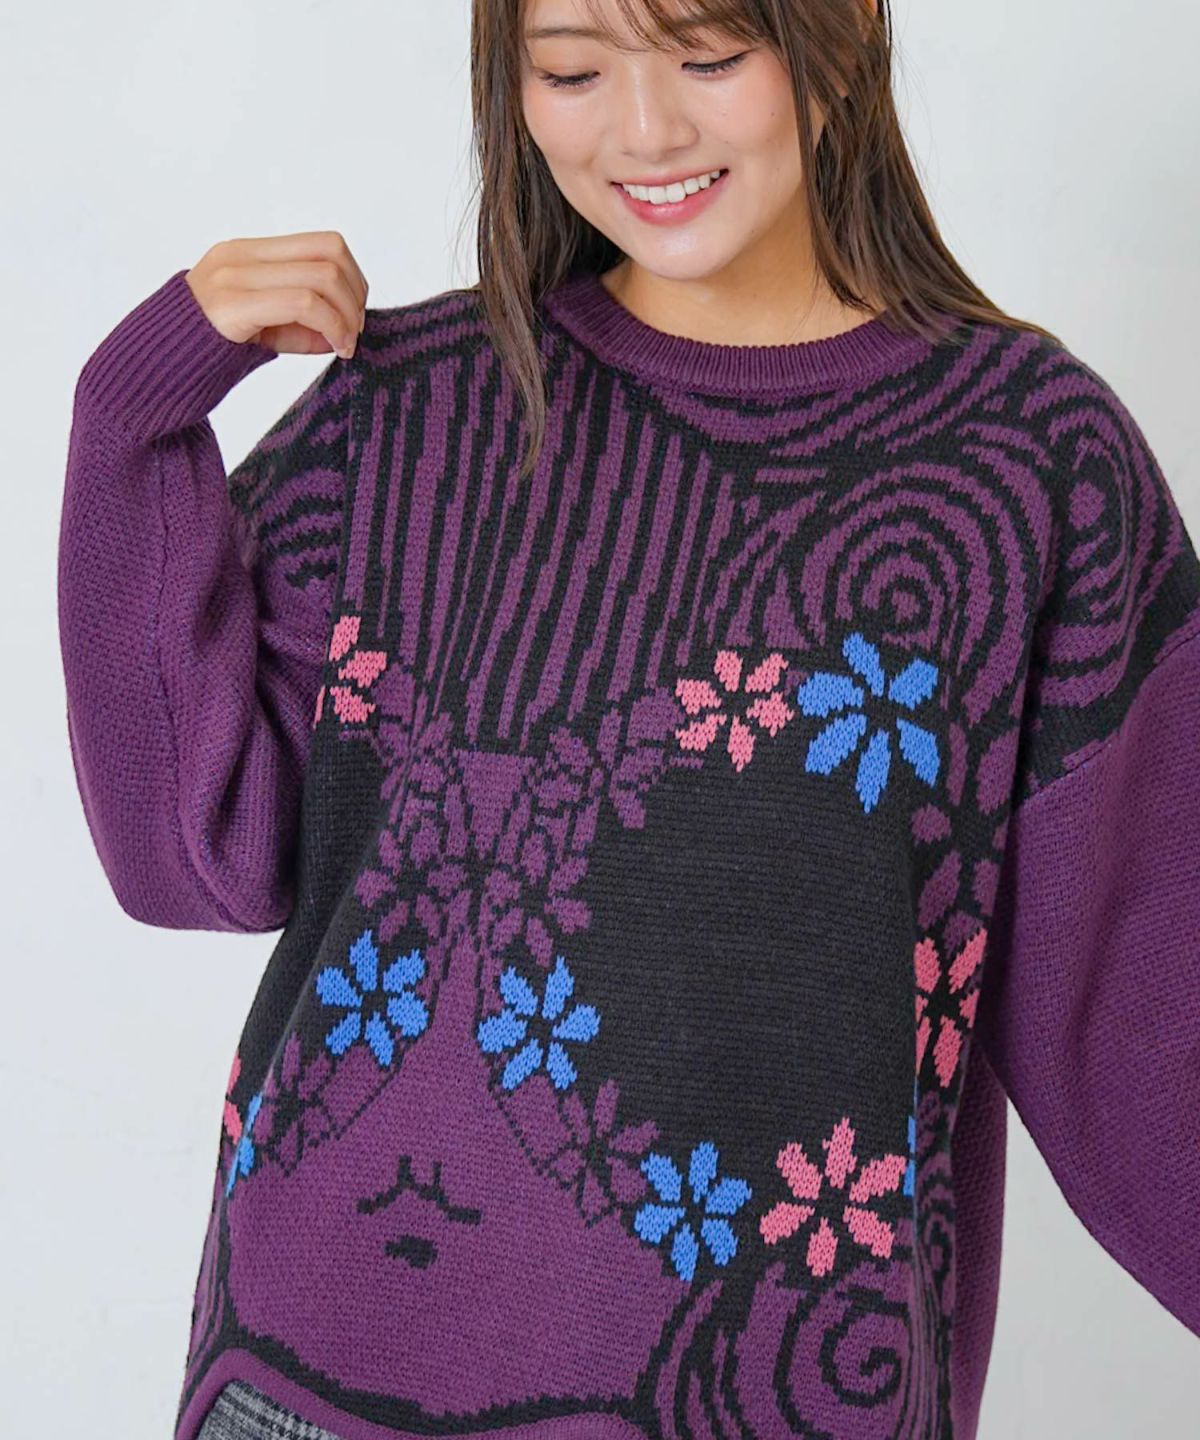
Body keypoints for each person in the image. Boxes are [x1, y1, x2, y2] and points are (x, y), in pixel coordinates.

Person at [58, 0, 1199, 1437]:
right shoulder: (405, 413)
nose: (646, 130)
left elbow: (1145, 1020)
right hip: (311, 1372)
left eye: (708, 56)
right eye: (573, 69)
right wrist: (131, 419)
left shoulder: (1029, 464)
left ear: (843, 33)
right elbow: (191, 853)